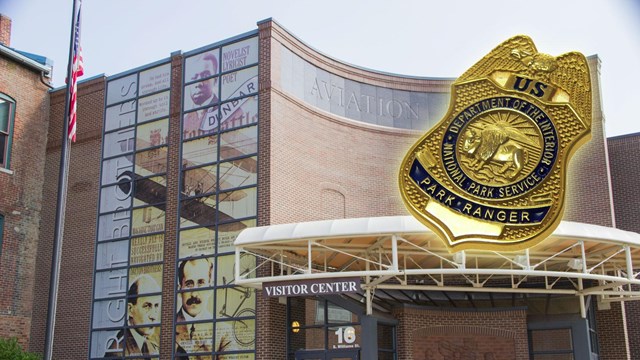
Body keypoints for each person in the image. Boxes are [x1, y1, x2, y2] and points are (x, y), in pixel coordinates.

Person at [104, 274, 161, 357]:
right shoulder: (117, 352)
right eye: (147, 306)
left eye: (156, 306)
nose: (153, 316)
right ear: (130, 309)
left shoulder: (152, 346)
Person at [175, 257, 215, 357]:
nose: (194, 294)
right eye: (189, 284)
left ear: (210, 288)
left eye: (201, 283)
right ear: (179, 290)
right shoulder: (158, 333)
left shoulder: (224, 334)